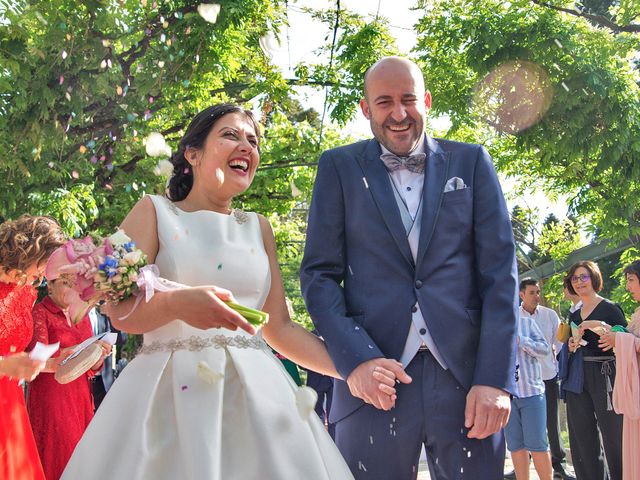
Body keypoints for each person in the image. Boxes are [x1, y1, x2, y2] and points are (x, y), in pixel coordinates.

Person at [62, 104, 404, 480]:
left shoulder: (259, 228)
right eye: (230, 135)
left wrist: (354, 366)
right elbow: (117, 309)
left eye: (253, 141)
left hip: (258, 397)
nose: (246, 147)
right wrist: (177, 304)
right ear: (192, 154)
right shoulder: (153, 212)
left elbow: (281, 330)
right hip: (167, 395)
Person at [300, 56, 519, 479]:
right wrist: (356, 362)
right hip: (373, 380)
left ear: (427, 101)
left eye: (408, 100)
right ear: (365, 109)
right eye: (384, 102)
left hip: (468, 382)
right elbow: (319, 274)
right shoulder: (338, 167)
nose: (398, 114)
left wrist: (495, 378)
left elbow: (500, 278)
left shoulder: (471, 162)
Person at [0, 215, 65, 480]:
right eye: (45, 265)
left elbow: (13, 351)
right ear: (31, 252)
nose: (45, 275)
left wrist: (50, 364)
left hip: (10, 406)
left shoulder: (26, 291)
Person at [27, 276, 110, 480]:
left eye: (74, 284)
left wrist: (100, 355)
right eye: (65, 283)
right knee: (60, 453)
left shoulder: (80, 316)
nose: (71, 289)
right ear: (51, 286)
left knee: (82, 453)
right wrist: (77, 350)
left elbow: (90, 369)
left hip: (80, 395)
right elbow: (38, 357)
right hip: (52, 394)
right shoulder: (41, 312)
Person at [565, 261, 625, 480]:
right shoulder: (573, 314)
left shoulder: (610, 308)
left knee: (614, 435)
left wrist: (598, 325)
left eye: (584, 277)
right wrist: (570, 345)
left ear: (594, 278)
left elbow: (624, 337)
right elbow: (572, 343)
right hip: (577, 377)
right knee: (582, 437)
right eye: (575, 278)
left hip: (605, 373)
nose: (579, 282)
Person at [517, 278, 574, 480]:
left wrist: (558, 365)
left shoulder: (550, 315)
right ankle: (522, 467)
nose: (537, 296)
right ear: (521, 295)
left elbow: (561, 342)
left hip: (548, 377)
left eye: (538, 292)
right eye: (532, 292)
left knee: (552, 422)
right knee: (521, 428)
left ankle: (559, 466)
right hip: (521, 382)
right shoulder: (513, 317)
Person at [506, 279, 553, 480]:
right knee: (516, 446)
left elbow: (544, 349)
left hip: (532, 394)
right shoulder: (493, 326)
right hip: (508, 396)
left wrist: (522, 341)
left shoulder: (527, 323)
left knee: (538, 446)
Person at [600, 260, 640, 480]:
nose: (628, 287)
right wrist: (616, 336)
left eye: (632, 280)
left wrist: (621, 340)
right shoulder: (637, 313)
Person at [87, 306, 128, 410]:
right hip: (83, 379)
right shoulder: (75, 319)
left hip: (103, 380)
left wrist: (112, 313)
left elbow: (122, 339)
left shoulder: (104, 317)